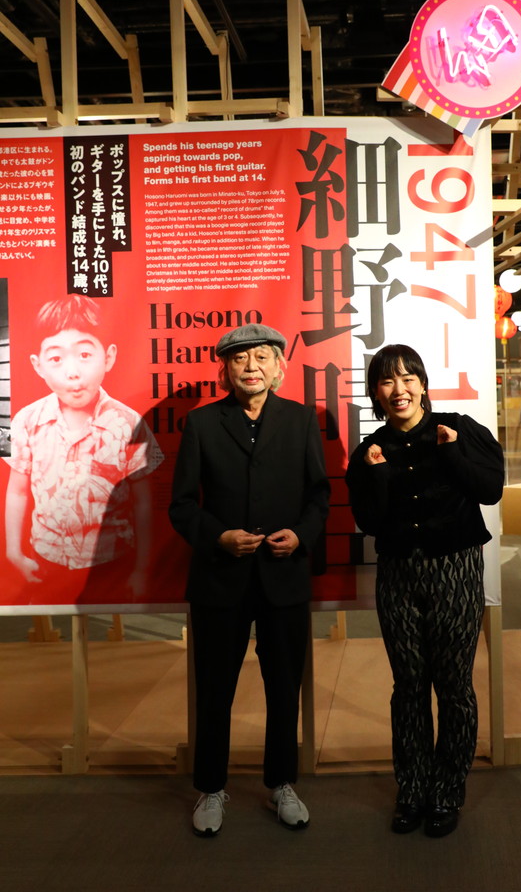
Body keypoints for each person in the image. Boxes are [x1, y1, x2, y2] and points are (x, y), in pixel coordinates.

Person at [169, 322, 330, 837]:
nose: (251, 366)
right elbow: (181, 505)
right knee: (215, 690)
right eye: (240, 359)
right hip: (221, 579)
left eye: (262, 357)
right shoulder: (202, 424)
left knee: (284, 687)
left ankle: (282, 783)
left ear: (280, 368)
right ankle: (211, 788)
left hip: (284, 576)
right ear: (225, 370)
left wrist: (301, 535)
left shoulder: (301, 420)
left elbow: (319, 495)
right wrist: (218, 537)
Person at [345, 344, 504, 838]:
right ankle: (412, 788)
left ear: (423, 384)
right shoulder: (369, 451)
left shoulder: (457, 428)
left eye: (408, 378)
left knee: (454, 685)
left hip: (455, 568)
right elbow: (369, 522)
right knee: (409, 685)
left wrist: (452, 452)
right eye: (387, 381)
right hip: (398, 575)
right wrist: (376, 473)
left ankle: (447, 790)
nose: (400, 389)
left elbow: (490, 489)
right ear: (375, 393)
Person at [5, 294, 163, 601]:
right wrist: (14, 551)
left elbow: (143, 503)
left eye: (85, 354)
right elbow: (17, 492)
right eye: (56, 359)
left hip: (112, 559)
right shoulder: (24, 420)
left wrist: (142, 569)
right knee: (53, 618)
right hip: (46, 557)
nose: (72, 371)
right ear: (38, 365)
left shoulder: (130, 423)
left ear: (109, 357)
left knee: (108, 621)